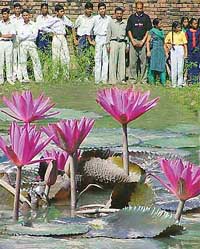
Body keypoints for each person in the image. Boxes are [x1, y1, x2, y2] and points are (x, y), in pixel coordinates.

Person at [40, 4, 76, 74]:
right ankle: (55, 75)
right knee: (56, 56)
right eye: (61, 11)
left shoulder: (64, 18)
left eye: (63, 11)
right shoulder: (53, 20)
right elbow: (43, 27)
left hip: (63, 37)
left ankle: (66, 74)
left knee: (65, 56)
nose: (63, 13)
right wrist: (51, 31)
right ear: (56, 12)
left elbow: (72, 25)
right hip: (56, 37)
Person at [126, 1, 152, 83]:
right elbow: (128, 30)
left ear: (143, 8)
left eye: (141, 8)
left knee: (143, 62)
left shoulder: (146, 17)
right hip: (133, 41)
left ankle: (143, 79)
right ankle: (133, 79)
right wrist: (132, 41)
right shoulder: (131, 17)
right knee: (132, 62)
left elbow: (148, 30)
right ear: (135, 8)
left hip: (143, 41)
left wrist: (143, 41)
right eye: (138, 8)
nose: (139, 10)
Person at [17, 9, 43, 83]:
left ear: (29, 15)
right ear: (22, 16)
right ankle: (25, 78)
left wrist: (25, 35)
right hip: (23, 44)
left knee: (36, 60)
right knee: (23, 61)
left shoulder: (34, 24)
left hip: (31, 43)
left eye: (26, 15)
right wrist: (29, 34)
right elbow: (19, 37)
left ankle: (39, 78)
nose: (25, 17)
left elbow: (34, 36)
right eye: (24, 15)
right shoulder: (20, 25)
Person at [106, 7, 128, 84]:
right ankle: (112, 80)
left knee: (122, 62)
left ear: (122, 14)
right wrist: (107, 45)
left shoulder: (125, 23)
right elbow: (108, 34)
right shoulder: (111, 23)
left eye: (120, 14)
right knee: (113, 61)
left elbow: (127, 35)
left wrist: (127, 45)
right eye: (117, 13)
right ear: (115, 14)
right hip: (114, 42)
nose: (119, 15)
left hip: (122, 43)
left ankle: (121, 79)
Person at [91, 2, 111, 84]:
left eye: (103, 9)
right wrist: (91, 40)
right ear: (98, 10)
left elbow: (110, 30)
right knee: (97, 58)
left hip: (106, 38)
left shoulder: (109, 18)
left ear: (105, 9)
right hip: (98, 38)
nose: (102, 10)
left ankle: (104, 79)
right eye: (101, 9)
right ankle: (97, 79)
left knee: (105, 59)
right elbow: (90, 29)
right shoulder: (95, 18)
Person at [74, 2, 95, 76]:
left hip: (90, 37)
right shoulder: (80, 18)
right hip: (81, 38)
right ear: (85, 9)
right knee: (81, 56)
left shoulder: (94, 18)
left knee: (90, 56)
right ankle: (81, 74)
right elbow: (74, 28)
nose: (89, 11)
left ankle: (87, 74)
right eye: (88, 9)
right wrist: (75, 39)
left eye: (91, 9)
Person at [165, 21, 187, 88]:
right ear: (174, 28)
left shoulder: (182, 33)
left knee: (180, 66)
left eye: (180, 27)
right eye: (178, 27)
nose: (179, 28)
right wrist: (168, 46)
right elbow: (166, 41)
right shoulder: (170, 33)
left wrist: (186, 53)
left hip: (180, 48)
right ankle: (173, 83)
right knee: (174, 66)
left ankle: (179, 83)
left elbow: (185, 44)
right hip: (173, 48)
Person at [146, 18, 167, 86]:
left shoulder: (162, 31)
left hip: (161, 50)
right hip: (154, 50)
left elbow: (164, 43)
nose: (161, 24)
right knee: (153, 65)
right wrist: (148, 51)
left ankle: (163, 82)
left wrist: (166, 52)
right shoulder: (152, 31)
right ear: (155, 24)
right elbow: (148, 41)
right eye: (160, 23)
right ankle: (152, 81)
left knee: (162, 65)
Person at [0, 8, 16, 85]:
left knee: (9, 60)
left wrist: (2, 35)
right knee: (1, 61)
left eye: (5, 14)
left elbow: (12, 35)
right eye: (3, 14)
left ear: (8, 14)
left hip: (9, 43)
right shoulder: (0, 23)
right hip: (1, 43)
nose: (4, 15)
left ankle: (9, 78)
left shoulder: (12, 24)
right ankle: (1, 78)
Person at [10, 2, 23, 82]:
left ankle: (20, 75)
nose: (17, 10)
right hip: (14, 38)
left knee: (21, 57)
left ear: (20, 9)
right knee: (14, 57)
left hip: (22, 38)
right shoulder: (11, 18)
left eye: (19, 8)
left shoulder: (23, 17)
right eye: (16, 8)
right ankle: (14, 75)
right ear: (14, 9)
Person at [186, 18, 200, 84]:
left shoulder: (199, 31)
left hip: (197, 50)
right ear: (191, 24)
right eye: (194, 23)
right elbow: (186, 41)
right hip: (190, 50)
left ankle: (196, 80)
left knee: (196, 64)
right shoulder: (188, 31)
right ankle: (190, 79)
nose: (196, 25)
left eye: (197, 23)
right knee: (190, 64)